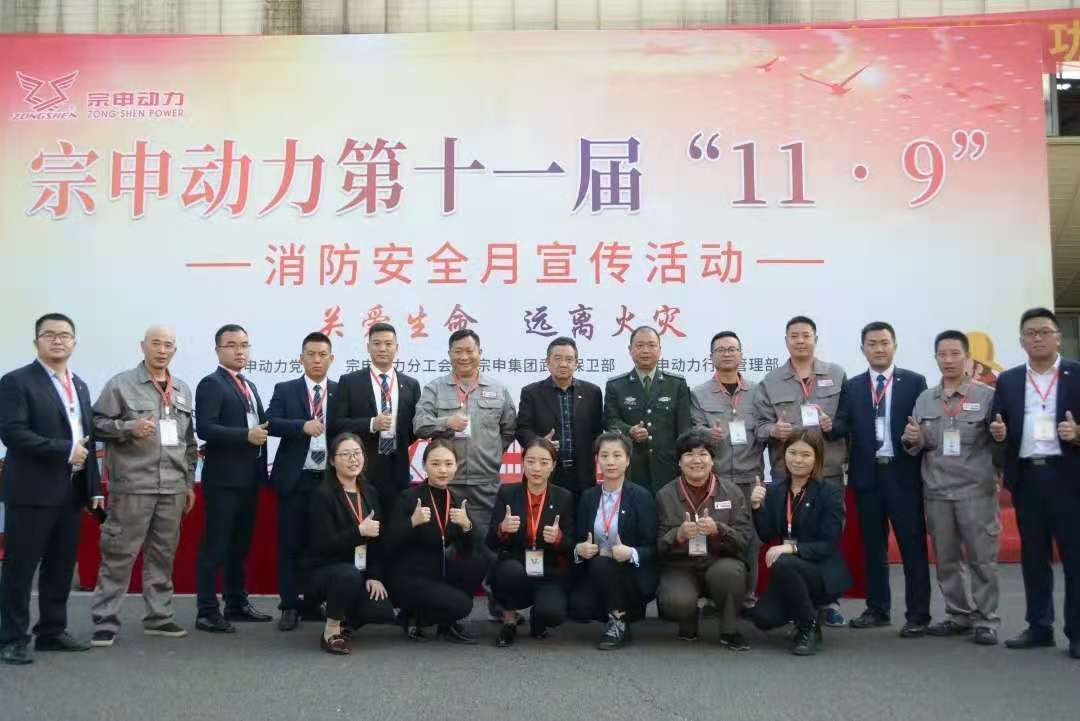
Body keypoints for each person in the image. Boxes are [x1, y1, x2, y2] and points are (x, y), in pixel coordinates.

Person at [0, 313, 102, 664]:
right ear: (36, 341)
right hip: (31, 491)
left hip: (70, 492)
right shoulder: (16, 382)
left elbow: (88, 440)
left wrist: (92, 488)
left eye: (64, 335)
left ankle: (52, 631)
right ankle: (11, 638)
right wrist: (63, 451)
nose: (58, 340)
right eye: (49, 334)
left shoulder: (80, 385)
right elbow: (13, 433)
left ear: (74, 342)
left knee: (60, 565)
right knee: (20, 568)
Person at [88, 325, 197, 647]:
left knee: (163, 555)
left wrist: (188, 483)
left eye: (168, 345)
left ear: (175, 350)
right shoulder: (121, 385)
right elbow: (96, 424)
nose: (162, 350)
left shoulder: (182, 389)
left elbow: (189, 442)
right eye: (156, 344)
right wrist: (128, 427)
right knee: (119, 553)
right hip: (133, 485)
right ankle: (105, 621)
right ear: (143, 346)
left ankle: (158, 617)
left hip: (172, 488)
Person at [991, 307, 1080, 659]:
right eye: (1031, 333)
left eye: (1044, 331)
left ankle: (1077, 632)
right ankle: (1039, 626)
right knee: (1034, 557)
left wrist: (1078, 433)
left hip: (1068, 477)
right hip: (1028, 478)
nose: (1037, 338)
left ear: (1058, 337)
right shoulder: (1009, 379)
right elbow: (999, 425)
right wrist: (999, 433)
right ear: (1021, 341)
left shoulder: (1077, 374)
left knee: (1074, 557)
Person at [752, 315, 849, 626]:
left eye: (806, 335)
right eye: (794, 336)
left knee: (826, 535)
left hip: (828, 470)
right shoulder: (771, 381)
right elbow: (758, 427)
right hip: (787, 472)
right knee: (790, 534)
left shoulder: (836, 374)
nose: (800, 340)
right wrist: (773, 430)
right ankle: (798, 599)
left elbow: (848, 421)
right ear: (786, 341)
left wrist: (832, 425)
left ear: (815, 339)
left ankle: (826, 599)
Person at [906, 330, 1000, 645]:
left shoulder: (987, 396)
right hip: (937, 491)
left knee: (981, 558)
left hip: (976, 491)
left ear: (968, 358)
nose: (948, 360)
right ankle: (958, 614)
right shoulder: (925, 399)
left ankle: (986, 619)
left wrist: (1001, 435)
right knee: (946, 559)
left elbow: (1000, 445)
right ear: (935, 358)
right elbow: (916, 443)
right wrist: (912, 440)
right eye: (942, 354)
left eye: (955, 353)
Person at [413, 329, 516, 619]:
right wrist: (447, 422)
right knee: (443, 547)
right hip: (447, 484)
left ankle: (498, 603)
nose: (464, 356)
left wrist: (490, 454)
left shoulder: (497, 389)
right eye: (458, 351)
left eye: (470, 350)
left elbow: (508, 429)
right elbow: (419, 425)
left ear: (480, 353)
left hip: (485, 483)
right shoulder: (435, 388)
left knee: (490, 546)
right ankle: (439, 607)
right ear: (449, 354)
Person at [845, 322, 932, 637]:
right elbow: (843, 426)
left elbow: (925, 427)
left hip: (903, 475)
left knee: (912, 547)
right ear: (863, 349)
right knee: (873, 548)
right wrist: (827, 425)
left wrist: (917, 436)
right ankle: (877, 608)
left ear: (895, 346)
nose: (879, 348)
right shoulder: (852, 386)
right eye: (872, 343)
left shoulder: (915, 382)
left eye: (884, 342)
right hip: (867, 478)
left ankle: (918, 614)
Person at [193, 324, 272, 633]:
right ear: (218, 350)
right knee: (215, 545)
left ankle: (236, 603)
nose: (240, 351)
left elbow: (261, 427)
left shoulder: (248, 385)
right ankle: (206, 610)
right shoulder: (212, 384)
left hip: (250, 478)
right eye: (232, 345)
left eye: (244, 345)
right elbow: (205, 428)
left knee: (239, 545)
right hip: (224, 480)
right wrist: (245, 435)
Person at [749, 430, 851, 656]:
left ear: (817, 458)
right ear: (784, 454)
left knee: (784, 561)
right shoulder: (776, 490)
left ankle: (809, 628)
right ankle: (805, 610)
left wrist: (791, 547)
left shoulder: (829, 493)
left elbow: (829, 544)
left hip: (821, 571)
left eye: (805, 455)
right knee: (763, 618)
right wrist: (756, 507)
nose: (798, 460)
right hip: (789, 571)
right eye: (792, 453)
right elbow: (766, 534)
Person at [266, 331, 338, 631]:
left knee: (321, 545)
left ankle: (312, 603)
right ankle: (289, 606)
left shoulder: (341, 391)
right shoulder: (286, 389)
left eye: (322, 355)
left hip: (329, 482)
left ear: (331, 359)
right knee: (290, 544)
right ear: (301, 358)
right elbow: (271, 423)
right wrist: (302, 426)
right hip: (295, 480)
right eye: (311, 354)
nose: (317, 359)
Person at [656, 428, 752, 648]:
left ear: (712, 460)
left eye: (703, 454)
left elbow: (744, 541)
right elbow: (659, 546)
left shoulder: (732, 492)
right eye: (689, 454)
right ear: (679, 462)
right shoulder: (665, 494)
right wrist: (678, 535)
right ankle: (688, 617)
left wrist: (719, 529)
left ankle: (729, 630)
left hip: (720, 560)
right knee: (676, 601)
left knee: (730, 574)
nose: (696, 460)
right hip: (681, 565)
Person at [690, 330, 766, 608]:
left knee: (750, 540)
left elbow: (765, 427)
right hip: (716, 480)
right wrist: (708, 435)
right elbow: (693, 431)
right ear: (711, 357)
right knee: (713, 537)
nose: (727, 354)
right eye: (720, 350)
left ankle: (747, 598)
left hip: (749, 478)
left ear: (741, 355)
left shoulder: (758, 391)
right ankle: (714, 597)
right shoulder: (698, 394)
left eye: (732, 349)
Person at [386, 439, 486, 644]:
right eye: (435, 464)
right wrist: (412, 523)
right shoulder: (409, 497)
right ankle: (413, 616)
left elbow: (467, 551)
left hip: (440, 570)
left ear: (456, 466)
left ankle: (443, 623)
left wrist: (467, 526)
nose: (442, 470)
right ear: (424, 466)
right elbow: (388, 542)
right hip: (411, 576)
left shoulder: (456, 499)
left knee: (480, 560)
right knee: (463, 606)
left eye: (449, 464)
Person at [303, 433, 395, 655]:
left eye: (357, 453)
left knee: (381, 611)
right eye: (345, 454)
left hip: (358, 570)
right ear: (332, 460)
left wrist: (374, 576)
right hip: (326, 570)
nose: (353, 459)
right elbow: (322, 545)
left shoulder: (369, 492)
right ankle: (331, 631)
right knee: (347, 574)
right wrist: (358, 532)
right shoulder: (323, 495)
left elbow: (376, 542)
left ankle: (345, 621)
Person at [569, 431, 658, 650]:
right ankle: (620, 613)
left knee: (602, 564)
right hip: (598, 571)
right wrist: (580, 549)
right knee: (578, 607)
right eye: (604, 455)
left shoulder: (641, 496)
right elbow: (578, 538)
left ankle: (618, 619)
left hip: (631, 572)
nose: (610, 462)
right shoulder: (588, 497)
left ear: (627, 460)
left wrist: (631, 553)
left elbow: (653, 546)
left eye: (617, 455)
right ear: (597, 460)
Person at [487, 438, 575, 647]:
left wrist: (559, 539)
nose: (536, 468)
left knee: (553, 614)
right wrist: (502, 529)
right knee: (508, 572)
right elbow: (490, 542)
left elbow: (572, 544)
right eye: (531, 461)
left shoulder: (563, 497)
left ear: (553, 465)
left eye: (544, 462)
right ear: (522, 462)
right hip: (515, 566)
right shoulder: (507, 492)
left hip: (548, 570)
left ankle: (539, 616)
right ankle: (509, 622)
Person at [328, 322, 420, 517]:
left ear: (397, 347)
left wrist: (396, 440)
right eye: (377, 343)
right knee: (366, 525)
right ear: (368, 347)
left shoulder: (411, 385)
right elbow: (337, 424)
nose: (382, 348)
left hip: (398, 470)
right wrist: (371, 424)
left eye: (388, 344)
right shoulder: (350, 382)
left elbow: (414, 429)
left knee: (397, 526)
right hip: (362, 471)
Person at [603, 326, 692, 495]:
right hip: (631, 469)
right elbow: (610, 421)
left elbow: (685, 429)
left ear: (659, 350)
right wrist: (629, 431)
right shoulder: (616, 386)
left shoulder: (676, 384)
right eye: (640, 345)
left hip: (669, 469)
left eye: (651, 345)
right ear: (630, 350)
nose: (645, 350)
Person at [515, 336, 603, 503]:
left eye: (569, 359)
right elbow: (522, 429)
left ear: (576, 363)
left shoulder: (593, 393)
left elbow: (597, 431)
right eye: (557, 358)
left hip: (582, 474)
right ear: (547, 362)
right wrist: (540, 443)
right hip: (545, 472)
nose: (563, 364)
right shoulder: (531, 393)